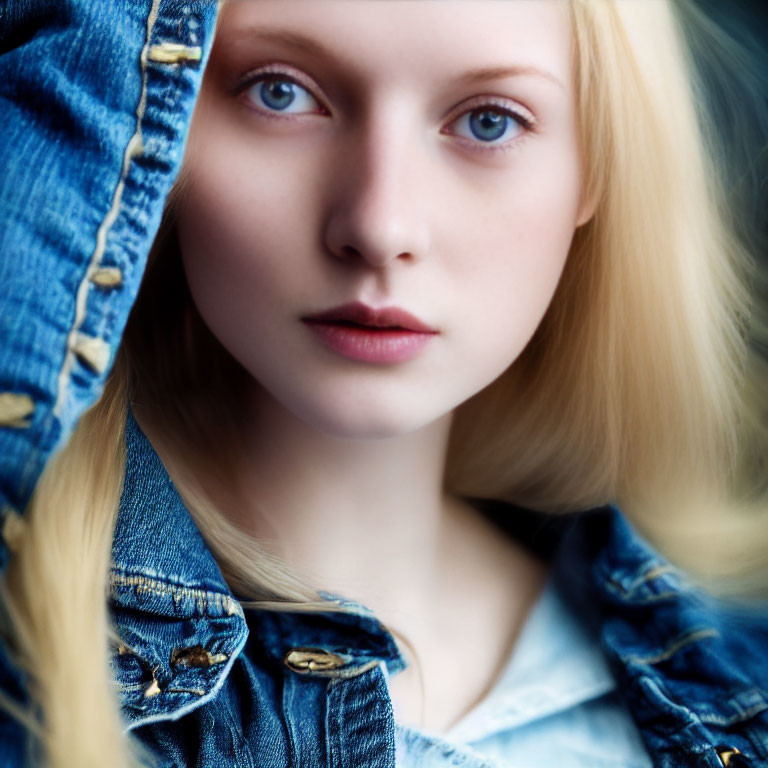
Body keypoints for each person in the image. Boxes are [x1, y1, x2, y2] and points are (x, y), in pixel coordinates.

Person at [0, 1, 766, 767]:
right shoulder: (27, 647)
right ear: (153, 116)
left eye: (489, 122)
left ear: (596, 166)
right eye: (280, 92)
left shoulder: (733, 689)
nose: (380, 225)